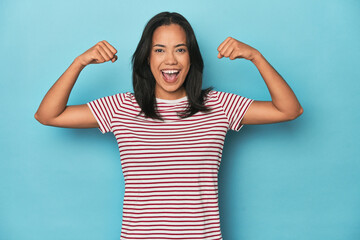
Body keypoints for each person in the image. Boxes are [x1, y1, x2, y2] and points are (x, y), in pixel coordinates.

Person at [35, 11, 303, 240]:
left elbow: (290, 109)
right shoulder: (122, 108)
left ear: (191, 58)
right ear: (147, 58)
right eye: (159, 50)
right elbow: (48, 115)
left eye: (180, 49)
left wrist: (256, 56)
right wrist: (78, 63)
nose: (171, 60)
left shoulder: (218, 105)